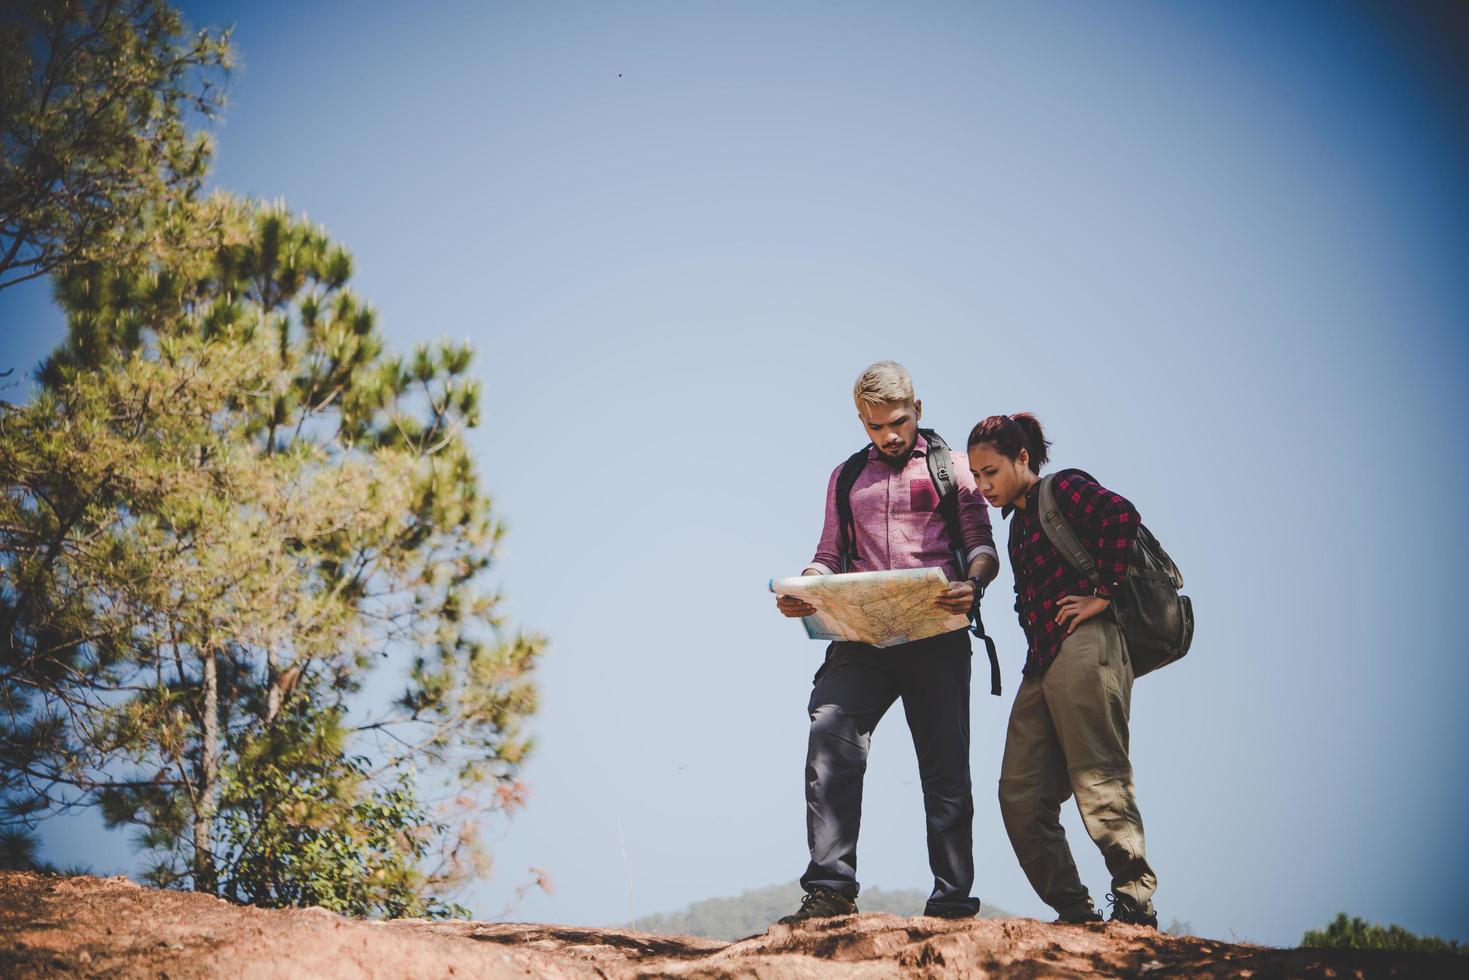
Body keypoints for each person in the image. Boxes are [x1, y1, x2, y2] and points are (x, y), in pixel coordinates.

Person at [773, 361, 999, 923]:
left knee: (945, 769)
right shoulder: (847, 477)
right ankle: (830, 892)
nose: (890, 435)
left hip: (937, 635)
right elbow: (827, 555)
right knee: (828, 736)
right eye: (876, 427)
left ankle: (951, 902)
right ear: (861, 422)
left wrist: (973, 584)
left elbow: (981, 544)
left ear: (917, 410)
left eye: (898, 422)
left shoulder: (952, 468)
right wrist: (805, 590)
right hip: (862, 638)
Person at [966, 413, 1159, 928]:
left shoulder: (1064, 488)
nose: (984, 486)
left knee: (1099, 776)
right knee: (1019, 794)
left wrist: (1103, 594)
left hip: (1085, 647)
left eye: (991, 472)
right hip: (1042, 660)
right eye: (977, 476)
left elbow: (1123, 516)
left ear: (1022, 459)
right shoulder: (1018, 522)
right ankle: (1076, 911)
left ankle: (1135, 901)